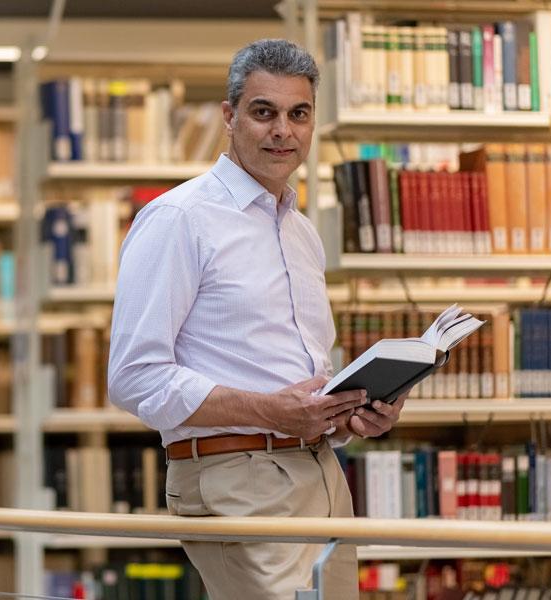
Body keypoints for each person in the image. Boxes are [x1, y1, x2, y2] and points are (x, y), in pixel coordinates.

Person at [107, 38, 408, 599]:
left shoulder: (302, 233)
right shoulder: (179, 219)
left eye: (299, 114)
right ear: (230, 117)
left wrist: (348, 414)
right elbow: (134, 376)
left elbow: (297, 374)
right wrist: (270, 410)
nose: (283, 131)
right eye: (263, 112)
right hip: (232, 478)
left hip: (321, 474)